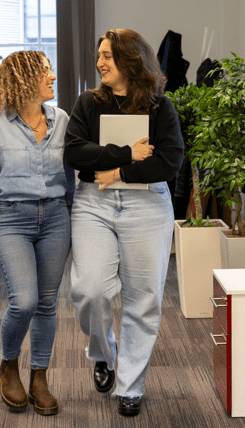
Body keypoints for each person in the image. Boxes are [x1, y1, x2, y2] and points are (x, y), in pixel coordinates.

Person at [64, 28, 184, 417]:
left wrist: (117, 171)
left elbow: (168, 162)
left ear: (131, 61)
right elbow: (74, 153)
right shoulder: (88, 102)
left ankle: (130, 385)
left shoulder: (159, 107)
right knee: (90, 289)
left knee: (143, 298)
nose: (100, 62)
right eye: (99, 55)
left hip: (147, 204)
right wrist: (127, 154)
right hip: (94, 204)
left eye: (108, 56)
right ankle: (103, 351)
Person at [0, 51, 74, 416]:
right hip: (12, 219)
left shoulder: (61, 120)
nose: (53, 78)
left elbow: (75, 172)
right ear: (26, 78)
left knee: (47, 303)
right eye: (47, 71)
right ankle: (8, 364)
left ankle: (39, 377)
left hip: (57, 218)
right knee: (24, 300)